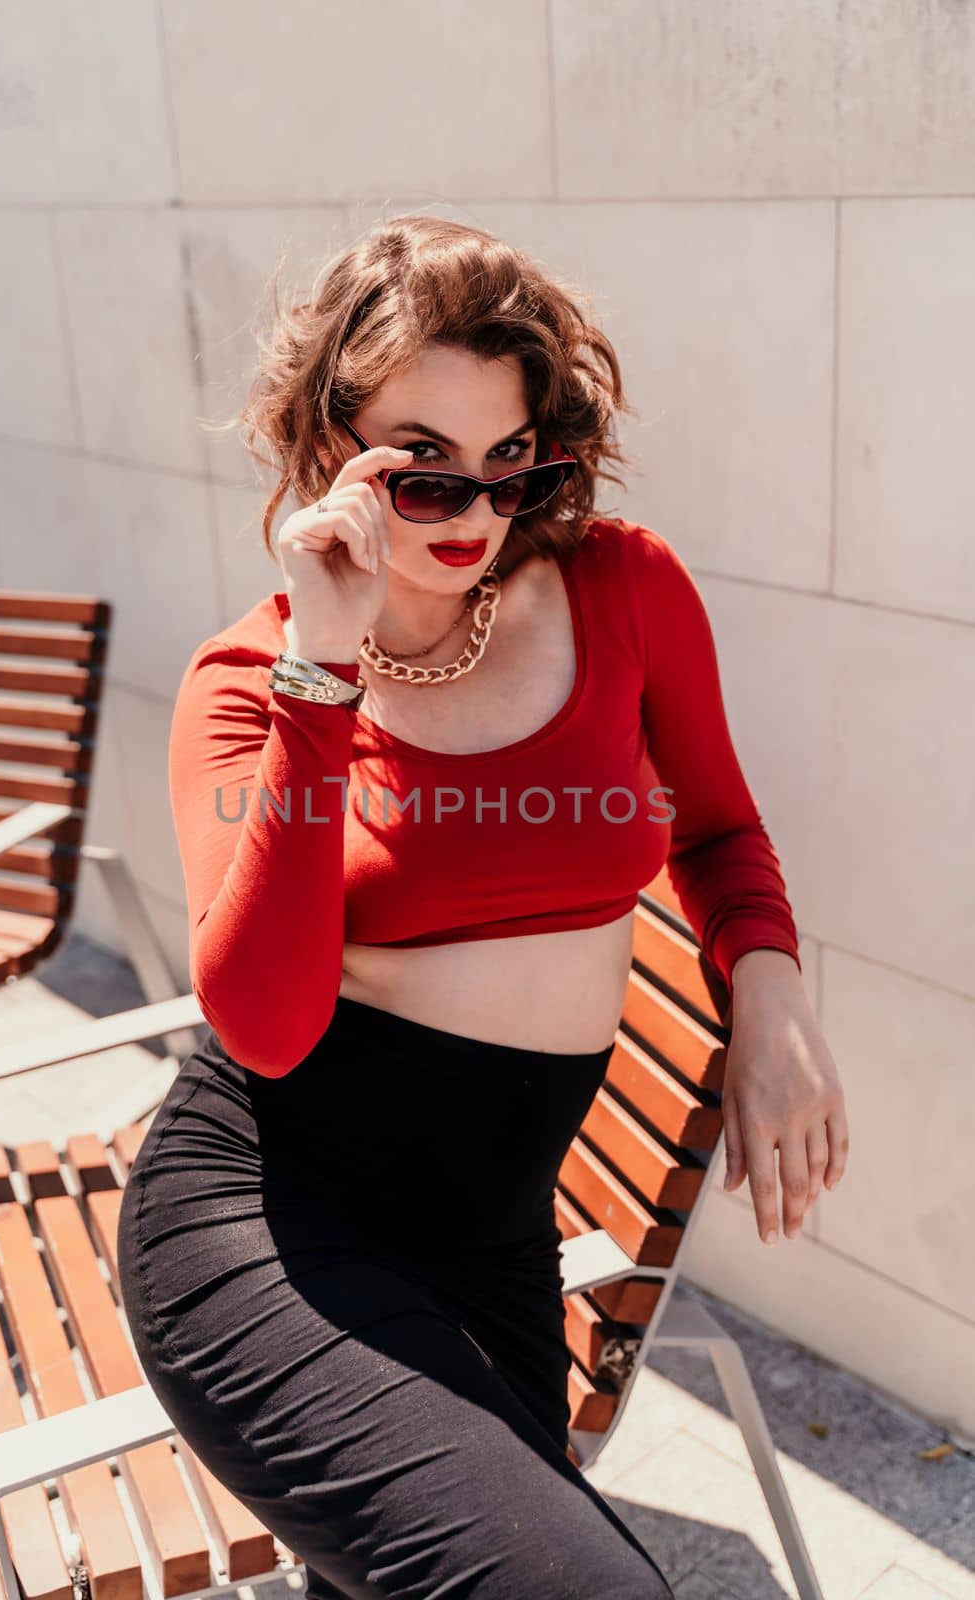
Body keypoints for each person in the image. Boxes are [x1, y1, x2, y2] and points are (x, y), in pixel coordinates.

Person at [117, 214, 848, 1599]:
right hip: (268, 1228)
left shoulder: (624, 588)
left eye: (513, 466)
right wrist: (324, 669)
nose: (478, 515)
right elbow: (264, 1026)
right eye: (424, 472)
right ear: (329, 449)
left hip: (489, 1247)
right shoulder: (245, 685)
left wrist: (768, 984)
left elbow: (720, 827)